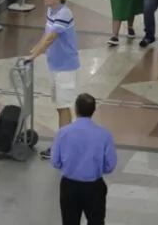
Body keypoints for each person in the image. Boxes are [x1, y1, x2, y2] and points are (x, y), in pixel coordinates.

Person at [25, 0, 80, 160]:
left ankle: (63, 146)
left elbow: (51, 38)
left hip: (65, 67)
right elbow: (45, 34)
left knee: (64, 106)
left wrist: (34, 56)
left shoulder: (64, 13)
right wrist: (35, 48)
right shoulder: (51, 12)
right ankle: (65, 142)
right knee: (59, 106)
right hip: (55, 65)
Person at [50, 93, 117, 225]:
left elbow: (55, 161)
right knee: (96, 221)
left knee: (69, 221)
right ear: (94, 110)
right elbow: (110, 165)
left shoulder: (63, 133)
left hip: (69, 186)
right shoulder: (104, 135)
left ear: (76, 109)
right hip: (94, 187)